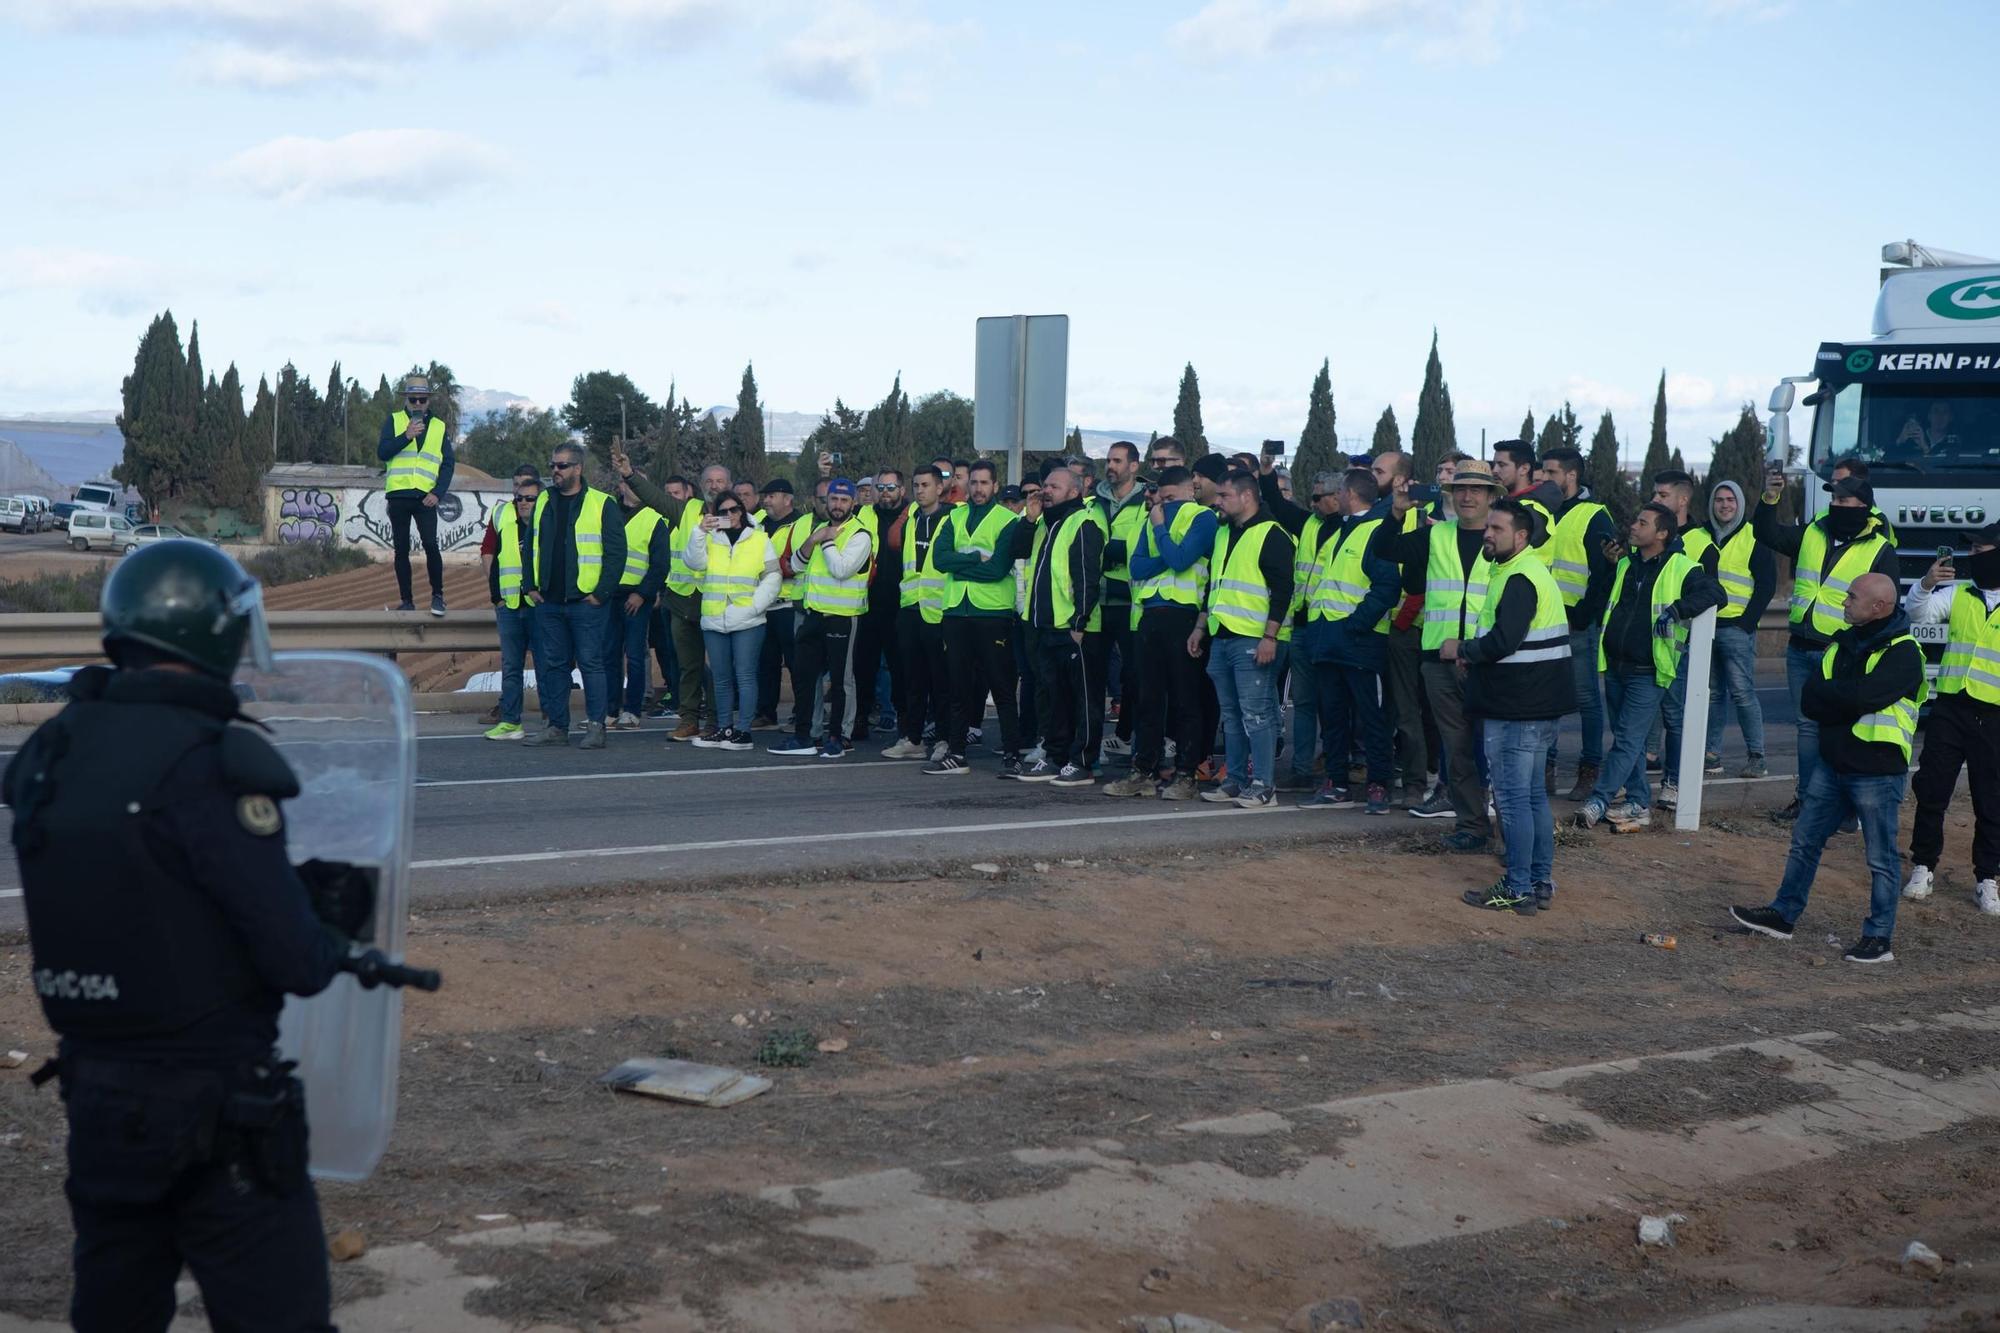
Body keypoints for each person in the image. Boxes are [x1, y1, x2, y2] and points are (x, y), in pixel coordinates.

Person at [6, 542, 348, 1330]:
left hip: (97, 1095)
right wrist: (330, 924)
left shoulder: (51, 751)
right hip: (218, 1109)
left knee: (114, 1311)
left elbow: (149, 888)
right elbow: (294, 959)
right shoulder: (212, 761)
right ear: (211, 634)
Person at [1731, 573, 1926, 963]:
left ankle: (1878, 938)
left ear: (1878, 607)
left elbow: (1865, 696)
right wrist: (1847, 699)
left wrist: (1843, 698)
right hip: (1832, 765)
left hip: (1876, 771)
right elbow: (1810, 699)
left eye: (1852, 597)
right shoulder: (1841, 643)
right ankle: (1783, 915)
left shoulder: (1904, 652)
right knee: (1804, 842)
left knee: (1880, 858)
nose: (1844, 602)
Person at [1443, 499, 1571, 914]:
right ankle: (1538, 882)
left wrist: (1462, 648)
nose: (1488, 534)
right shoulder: (1526, 571)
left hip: (1517, 705)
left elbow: (1504, 641)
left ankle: (1518, 886)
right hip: (1534, 702)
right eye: (1488, 528)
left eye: (1497, 529)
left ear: (1520, 536)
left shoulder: (1518, 577)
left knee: (1515, 801)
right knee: (1532, 798)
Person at [1753, 465, 1900, 820]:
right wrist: (1771, 497)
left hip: (1842, 653)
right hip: (1801, 647)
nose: (1835, 504)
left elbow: (1886, 607)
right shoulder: (1812, 533)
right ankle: (1808, 801)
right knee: (1807, 728)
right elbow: (1766, 531)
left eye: (1844, 499)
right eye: (1833, 497)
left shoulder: (1880, 548)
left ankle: (1843, 807)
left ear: (1863, 505)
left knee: (1841, 730)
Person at [1572, 503, 1724, 830]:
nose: (1633, 526)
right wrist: (1609, 565)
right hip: (1615, 665)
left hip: (1650, 669)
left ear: (1662, 533)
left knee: (1627, 739)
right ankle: (1638, 803)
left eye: (1643, 523)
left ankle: (1598, 800)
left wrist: (1677, 609)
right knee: (1633, 741)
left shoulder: (1682, 567)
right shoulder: (1626, 564)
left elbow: (1716, 593)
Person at [1393, 458, 1506, 851]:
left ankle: (1511, 836)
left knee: (1497, 750)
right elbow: (1388, 550)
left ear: (1492, 496)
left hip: (1489, 661)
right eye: (1460, 489)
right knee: (1457, 750)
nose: (1468, 495)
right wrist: (1397, 511)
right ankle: (1473, 827)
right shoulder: (1435, 535)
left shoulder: (1506, 539)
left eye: (1477, 489)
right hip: (1439, 660)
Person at [1291, 468, 1402, 814]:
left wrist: (1356, 625)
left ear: (1350, 494)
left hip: (1359, 643)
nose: (1334, 499)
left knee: (1371, 719)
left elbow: (1386, 588)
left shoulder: (1377, 531)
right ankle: (1336, 783)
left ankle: (1379, 786)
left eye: (1338, 493)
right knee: (1334, 716)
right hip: (1329, 640)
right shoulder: (1344, 529)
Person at [1903, 526, 2000, 914]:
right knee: (1932, 790)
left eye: (1982, 548)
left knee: (1990, 799)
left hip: (1994, 715)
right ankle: (1923, 866)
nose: (1975, 555)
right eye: (1972, 549)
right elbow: (1917, 612)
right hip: (1950, 709)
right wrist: (1925, 582)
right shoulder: (1958, 593)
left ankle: (1987, 878)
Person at [1107, 466, 1216, 800]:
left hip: (1184, 614)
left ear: (1189, 491)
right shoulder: (1149, 521)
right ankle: (1144, 771)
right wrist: (1167, 552)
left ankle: (1186, 775)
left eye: (1171, 498)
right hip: (1150, 615)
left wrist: (1160, 532)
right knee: (1148, 699)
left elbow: (1182, 560)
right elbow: (1137, 566)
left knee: (1185, 699)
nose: (1165, 505)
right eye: (1161, 499)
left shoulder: (1202, 518)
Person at [1189, 470, 1296, 807]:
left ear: (1247, 496)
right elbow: (1213, 585)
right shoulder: (1224, 533)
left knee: (1257, 714)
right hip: (1223, 637)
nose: (1217, 501)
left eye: (1224, 496)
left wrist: (1270, 637)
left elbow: (1283, 590)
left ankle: (1264, 785)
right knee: (1232, 715)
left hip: (1252, 637)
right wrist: (1200, 627)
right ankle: (1235, 780)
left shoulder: (1272, 534)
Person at [521, 442, 626, 750]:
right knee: (553, 665)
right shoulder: (543, 501)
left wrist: (601, 593)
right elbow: (531, 545)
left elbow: (616, 552)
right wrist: (530, 584)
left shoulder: (601, 503)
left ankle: (596, 726)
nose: (555, 470)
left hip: (586, 603)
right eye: (553, 465)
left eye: (562, 465)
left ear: (578, 469)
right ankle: (556, 726)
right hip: (549, 602)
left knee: (592, 664)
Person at [927, 460, 1027, 776]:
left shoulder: (1007, 520)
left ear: (995, 486)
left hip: (992, 614)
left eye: (985, 483)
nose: (979, 489)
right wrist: (973, 558)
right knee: (957, 687)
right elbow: (940, 559)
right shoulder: (953, 516)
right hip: (956, 611)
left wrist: (963, 564)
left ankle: (1012, 754)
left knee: (1001, 687)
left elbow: (998, 568)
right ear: (967, 484)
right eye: (974, 482)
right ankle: (957, 752)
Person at [1532, 446, 1617, 799]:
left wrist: (1585, 614)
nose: (1545, 479)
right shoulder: (1541, 511)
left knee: (1585, 700)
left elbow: (1603, 574)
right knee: (1546, 699)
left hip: (1576, 622)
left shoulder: (1594, 515)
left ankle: (1590, 769)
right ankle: (1546, 769)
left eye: (1551, 473)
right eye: (1543, 473)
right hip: (1542, 620)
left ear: (1571, 476)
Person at [1015, 465, 1107, 785]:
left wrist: (1078, 623)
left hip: (1073, 629)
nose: (1046, 490)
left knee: (1082, 698)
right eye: (1045, 485)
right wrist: (1029, 518)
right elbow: (1017, 549)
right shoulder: (1044, 523)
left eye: (1054, 486)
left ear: (1074, 491)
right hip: (1043, 625)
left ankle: (1082, 761)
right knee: (1052, 697)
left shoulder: (1083, 522)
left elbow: (1087, 578)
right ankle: (1055, 756)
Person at [770, 479, 873, 759]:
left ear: (853, 503)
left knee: (841, 682)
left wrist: (825, 539)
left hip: (842, 617)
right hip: (812, 614)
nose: (837, 505)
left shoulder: (859, 534)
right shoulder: (817, 529)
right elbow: (796, 564)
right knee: (804, 677)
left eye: (843, 500)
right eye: (833, 500)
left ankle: (840, 737)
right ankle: (805, 736)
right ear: (825, 502)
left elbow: (841, 569)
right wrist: (814, 538)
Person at [1257, 464, 1339, 791]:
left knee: (1335, 705)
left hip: (1335, 630)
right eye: (1311, 496)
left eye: (1319, 497)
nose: (1313, 502)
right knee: (1303, 703)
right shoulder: (1308, 524)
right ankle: (1302, 768)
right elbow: (1278, 503)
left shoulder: (1353, 529)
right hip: (1304, 628)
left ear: (1339, 496)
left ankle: (1337, 770)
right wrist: (1265, 474)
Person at [682, 490, 780, 750]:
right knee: (721, 677)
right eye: (723, 511)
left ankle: (743, 731)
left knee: (745, 675)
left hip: (748, 619)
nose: (730, 515)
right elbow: (693, 563)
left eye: (734, 509)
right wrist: (699, 531)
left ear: (742, 510)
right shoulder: (711, 538)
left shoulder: (760, 539)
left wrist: (754, 607)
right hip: (715, 617)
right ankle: (725, 728)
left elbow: (773, 577)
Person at [1645, 468, 1717, 804]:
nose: (1654, 500)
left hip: (1678, 646)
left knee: (1674, 717)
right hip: (1642, 644)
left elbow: (1712, 593)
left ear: (1683, 499)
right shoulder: (1648, 536)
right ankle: (1632, 783)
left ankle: (1673, 782)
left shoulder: (1701, 543)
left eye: (1662, 495)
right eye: (1654, 494)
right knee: (1639, 720)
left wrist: (1677, 610)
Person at [1701, 479, 1775, 779]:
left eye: (1731, 499)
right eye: (1719, 499)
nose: (1725, 505)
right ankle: (1711, 755)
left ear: (1740, 503)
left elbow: (1767, 584)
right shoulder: (1701, 535)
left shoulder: (1753, 535)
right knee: (1712, 695)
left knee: (1743, 694)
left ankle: (1757, 757)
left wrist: (1747, 623)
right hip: (1705, 627)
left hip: (1736, 629)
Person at [884, 466, 953, 760]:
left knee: (941, 680)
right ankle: (912, 738)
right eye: (916, 485)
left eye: (925, 485)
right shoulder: (911, 517)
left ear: (940, 488)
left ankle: (944, 738)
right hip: (910, 605)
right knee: (912, 678)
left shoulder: (952, 517)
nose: (919, 490)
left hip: (938, 609)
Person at [377, 373, 454, 616]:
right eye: (413, 400)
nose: (418, 404)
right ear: (407, 400)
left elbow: (448, 464)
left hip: (426, 498)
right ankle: (407, 600)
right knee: (401, 549)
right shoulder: (394, 420)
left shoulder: (439, 426)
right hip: (399, 495)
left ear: (428, 401)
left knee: (431, 545)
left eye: (422, 400)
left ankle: (438, 597)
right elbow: (383, 452)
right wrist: (406, 436)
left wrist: (438, 493)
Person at [604, 478, 673, 730]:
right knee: (609, 655)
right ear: (621, 487)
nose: (634, 488)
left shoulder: (654, 519)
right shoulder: (608, 512)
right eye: (629, 484)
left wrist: (643, 593)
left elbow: (660, 564)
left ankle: (632, 710)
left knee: (634, 655)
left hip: (636, 597)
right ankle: (610, 709)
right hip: (608, 595)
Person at [482, 465, 541, 739]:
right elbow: (489, 556)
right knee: (511, 666)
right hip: (509, 604)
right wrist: (497, 597)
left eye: (528, 494)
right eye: (518, 491)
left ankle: (553, 722)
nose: (522, 498)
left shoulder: (548, 516)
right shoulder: (501, 513)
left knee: (547, 664)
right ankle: (510, 721)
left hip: (539, 606)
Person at [852, 469, 908, 742]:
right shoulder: (862, 514)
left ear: (902, 490)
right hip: (868, 603)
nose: (885, 493)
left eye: (891, 487)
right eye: (881, 487)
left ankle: (906, 725)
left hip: (901, 605)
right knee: (863, 666)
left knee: (902, 669)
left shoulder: (913, 515)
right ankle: (860, 718)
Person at [755, 479, 805, 728]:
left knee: (797, 663)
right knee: (766, 663)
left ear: (787, 498)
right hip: (764, 606)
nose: (765, 500)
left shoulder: (800, 524)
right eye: (765, 496)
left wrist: (772, 568)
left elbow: (798, 562)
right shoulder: (758, 524)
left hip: (789, 605)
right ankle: (765, 712)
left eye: (771, 496)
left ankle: (801, 712)